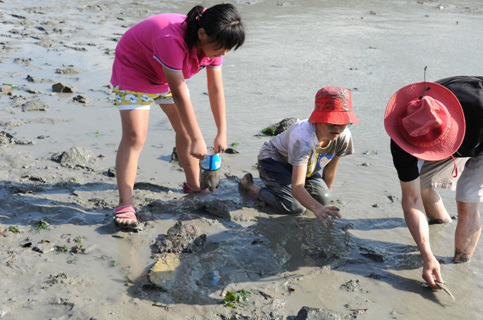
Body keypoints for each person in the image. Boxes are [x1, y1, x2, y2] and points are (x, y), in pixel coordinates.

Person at [384, 76, 483, 288]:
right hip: (443, 130)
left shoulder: (482, 106)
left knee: (467, 195)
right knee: (420, 183)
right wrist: (426, 254)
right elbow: (411, 199)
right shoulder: (405, 129)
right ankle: (441, 223)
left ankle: (459, 267)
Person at [110, 4, 245, 229]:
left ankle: (194, 186)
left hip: (165, 72)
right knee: (135, 136)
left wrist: (222, 131)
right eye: (221, 47)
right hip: (135, 67)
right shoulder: (171, 39)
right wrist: (197, 138)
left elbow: (216, 89)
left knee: (185, 130)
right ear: (202, 34)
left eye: (228, 49)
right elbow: (179, 94)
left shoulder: (214, 46)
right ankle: (125, 204)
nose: (224, 53)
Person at [239, 87, 358, 227]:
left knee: (324, 198)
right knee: (294, 207)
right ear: (318, 119)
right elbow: (297, 186)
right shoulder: (303, 139)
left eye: (343, 124)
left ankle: (286, 189)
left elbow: (330, 169)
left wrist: (323, 204)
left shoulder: (343, 136)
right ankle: (251, 187)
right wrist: (317, 208)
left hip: (305, 167)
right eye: (332, 124)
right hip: (274, 160)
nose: (337, 129)